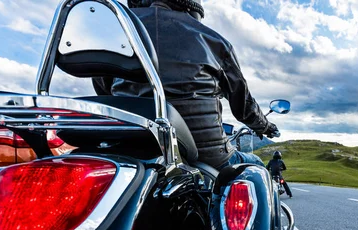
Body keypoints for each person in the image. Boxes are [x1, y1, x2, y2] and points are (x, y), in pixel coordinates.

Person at [92, 0, 277, 169]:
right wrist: (264, 126)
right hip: (207, 155)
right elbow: (243, 106)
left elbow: (105, 96)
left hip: (131, 149)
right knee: (257, 164)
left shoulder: (114, 37)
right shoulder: (213, 40)